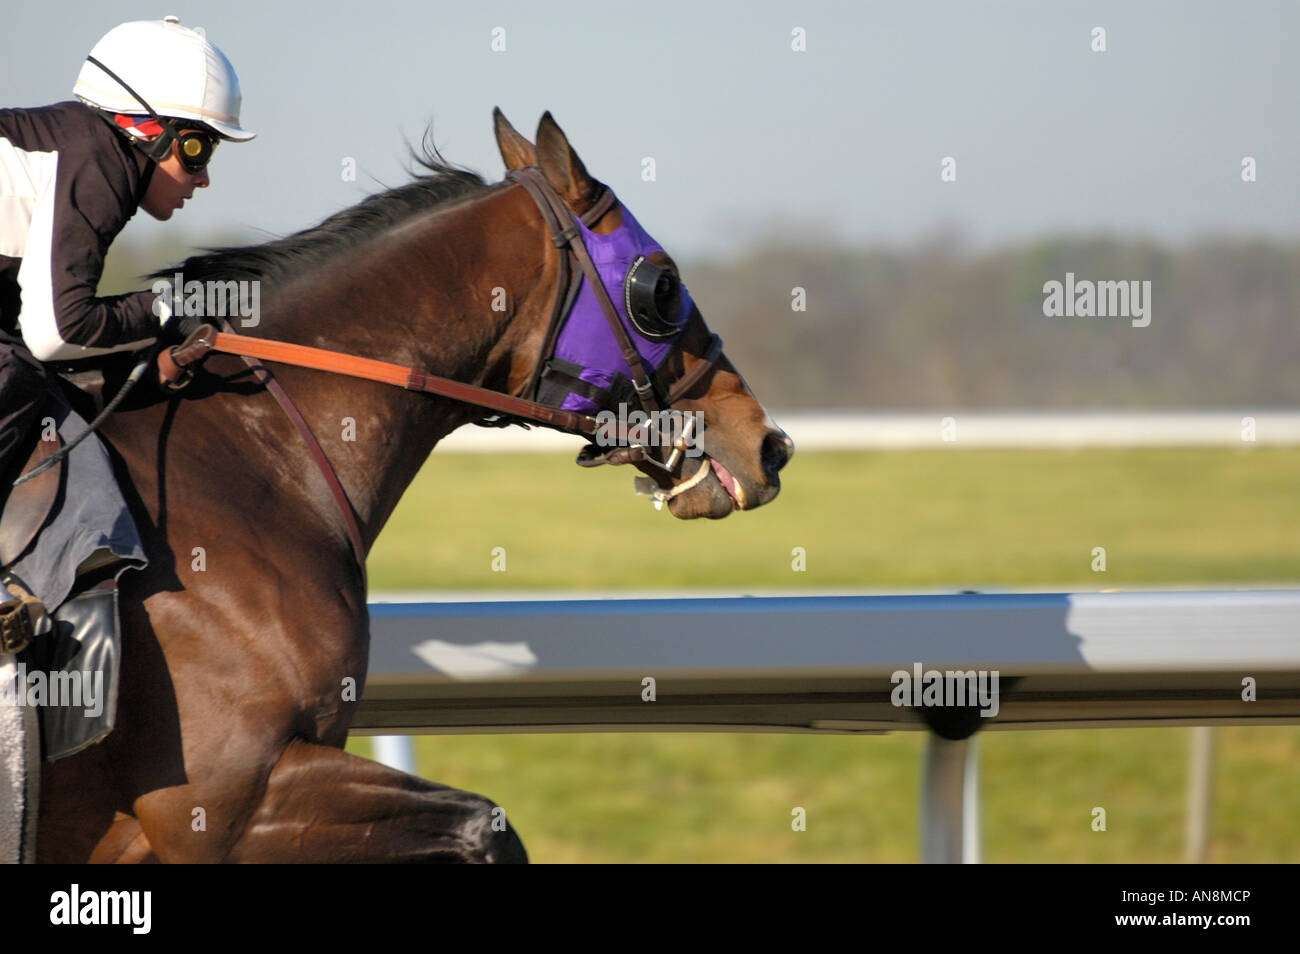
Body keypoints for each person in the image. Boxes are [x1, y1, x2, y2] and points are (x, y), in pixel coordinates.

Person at [0, 17, 254, 647]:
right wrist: (167, 305)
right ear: (146, 130)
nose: (203, 178)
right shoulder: (98, 157)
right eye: (199, 149)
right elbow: (59, 330)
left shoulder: (78, 145)